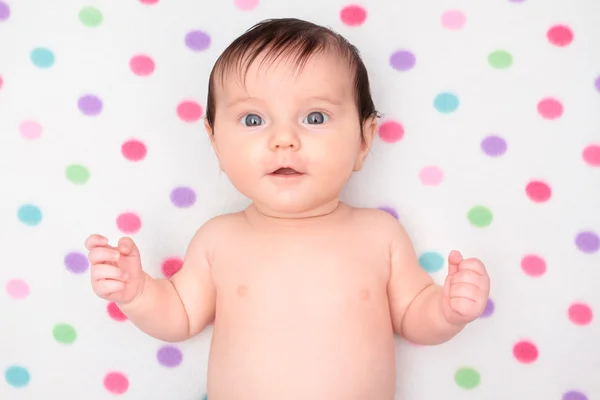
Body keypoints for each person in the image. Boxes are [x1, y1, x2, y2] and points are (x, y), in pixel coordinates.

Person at [85, 17, 490, 399]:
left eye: (315, 117)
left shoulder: (379, 235)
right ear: (215, 144)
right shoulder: (219, 239)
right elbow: (179, 316)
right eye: (252, 120)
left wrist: (446, 309)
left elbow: (413, 316)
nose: (284, 139)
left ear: (364, 141)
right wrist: (138, 294)